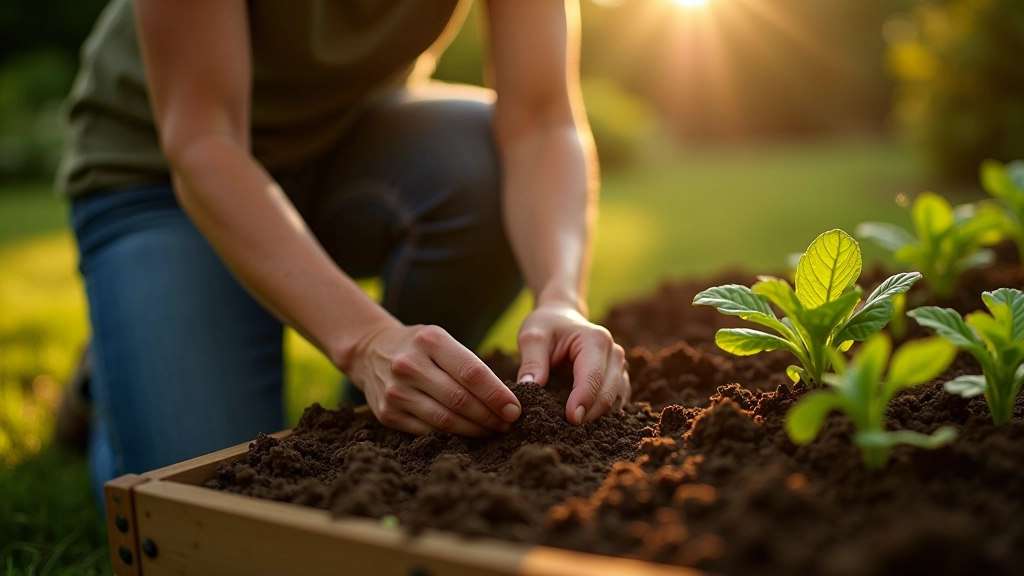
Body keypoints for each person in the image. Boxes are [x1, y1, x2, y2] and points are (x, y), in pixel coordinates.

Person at [58, 0, 631, 501]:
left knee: (478, 162)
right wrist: (366, 340)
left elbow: (540, 120)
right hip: (159, 179)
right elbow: (204, 139)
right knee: (204, 487)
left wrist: (560, 295)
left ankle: (371, 427)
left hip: (345, 148)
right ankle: (113, 370)